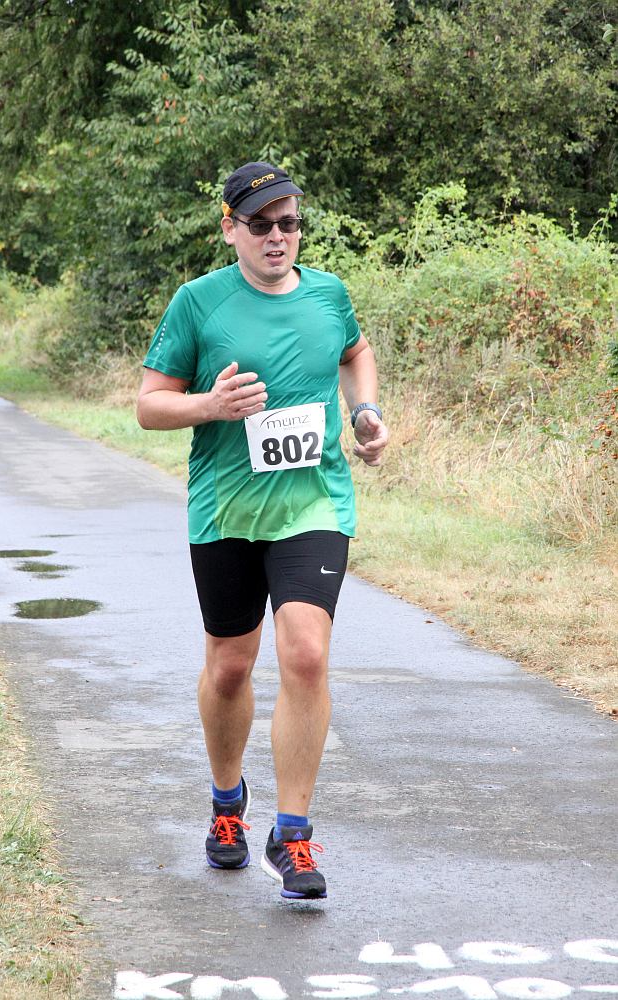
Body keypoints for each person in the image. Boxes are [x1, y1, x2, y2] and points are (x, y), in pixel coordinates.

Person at [137, 161, 388, 900]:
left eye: (289, 223)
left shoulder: (328, 293)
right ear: (230, 229)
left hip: (314, 504)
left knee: (306, 655)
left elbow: (354, 352)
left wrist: (365, 413)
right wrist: (209, 407)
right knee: (230, 666)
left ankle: (293, 834)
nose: (277, 236)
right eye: (260, 224)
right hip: (227, 509)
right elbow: (149, 405)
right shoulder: (199, 303)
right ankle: (227, 805)